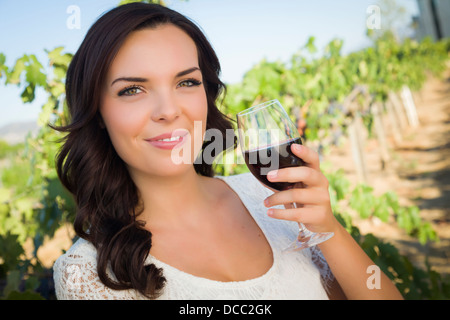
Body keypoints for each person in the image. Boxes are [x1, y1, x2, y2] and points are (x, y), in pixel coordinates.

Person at [52, 3, 403, 300]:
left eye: (186, 82)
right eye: (132, 90)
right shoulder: (86, 275)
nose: (169, 110)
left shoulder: (269, 199)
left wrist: (328, 229)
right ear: (97, 112)